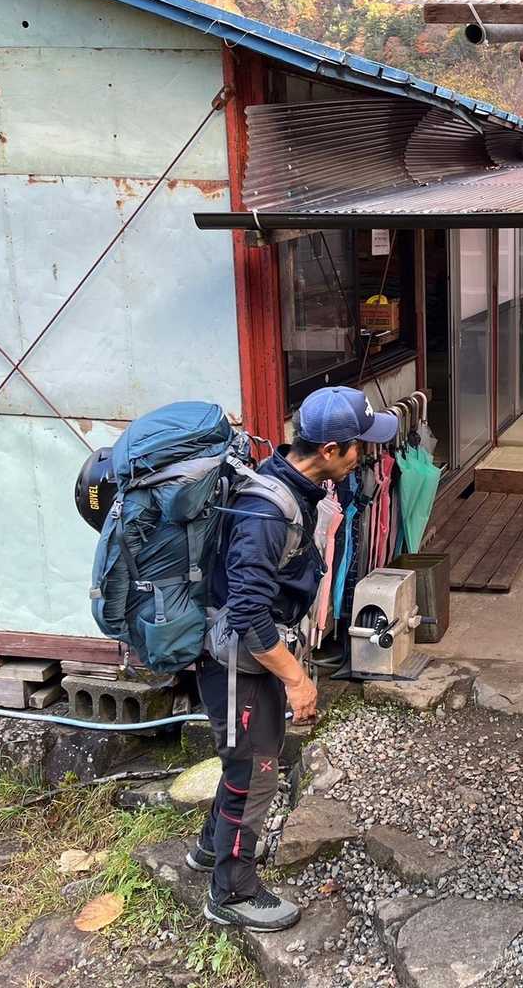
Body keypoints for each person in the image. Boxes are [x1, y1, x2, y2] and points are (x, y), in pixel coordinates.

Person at [193, 385, 397, 931]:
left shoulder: (288, 480)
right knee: (255, 770)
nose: (363, 456)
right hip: (237, 661)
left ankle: (211, 848)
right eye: (358, 446)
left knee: (245, 758)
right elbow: (247, 612)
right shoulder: (268, 511)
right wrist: (297, 680)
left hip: (249, 656)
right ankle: (231, 893)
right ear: (329, 450)